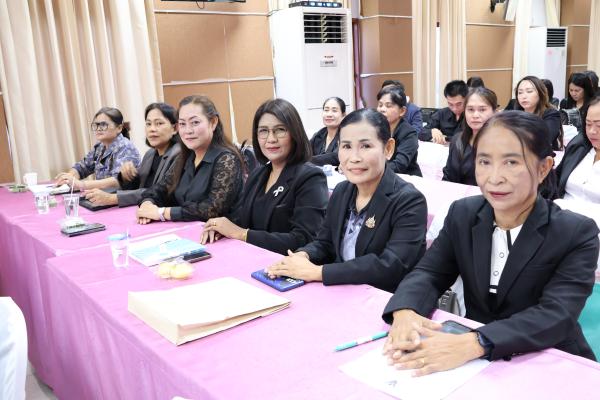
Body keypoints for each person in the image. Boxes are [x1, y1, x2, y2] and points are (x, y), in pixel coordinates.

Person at [382, 111, 598, 377]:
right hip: (477, 361)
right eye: (484, 161)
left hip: (548, 359)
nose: (494, 177)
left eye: (511, 162)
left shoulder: (575, 232)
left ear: (543, 168)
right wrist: (406, 309)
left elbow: (556, 314)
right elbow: (429, 272)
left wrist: (478, 342)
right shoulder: (463, 214)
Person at [265, 108, 428, 293]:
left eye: (366, 146)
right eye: (346, 147)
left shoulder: (409, 201)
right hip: (340, 292)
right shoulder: (342, 191)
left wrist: (319, 272)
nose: (354, 158)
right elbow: (324, 243)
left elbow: (390, 265)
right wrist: (304, 256)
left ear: (388, 148)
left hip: (383, 299)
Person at [201, 98, 329, 255]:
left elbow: (304, 239)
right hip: (253, 258)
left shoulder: (310, 177)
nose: (271, 139)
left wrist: (241, 234)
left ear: (294, 133)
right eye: (263, 131)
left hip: (286, 264)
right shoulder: (258, 174)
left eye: (280, 130)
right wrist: (221, 228)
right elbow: (242, 220)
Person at [136, 95, 243, 223]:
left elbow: (212, 209)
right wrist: (147, 204)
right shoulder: (184, 158)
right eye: (182, 124)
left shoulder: (227, 159)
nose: (188, 130)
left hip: (218, 233)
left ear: (213, 122)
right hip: (185, 230)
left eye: (195, 122)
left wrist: (162, 213)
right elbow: (158, 190)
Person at [82, 103, 181, 207]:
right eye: (148, 124)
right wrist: (127, 177)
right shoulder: (150, 154)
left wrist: (113, 198)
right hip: (143, 208)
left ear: (175, 128)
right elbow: (138, 187)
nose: (152, 129)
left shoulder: (178, 154)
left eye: (159, 123)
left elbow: (159, 192)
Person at [55, 107, 140, 189]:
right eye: (96, 125)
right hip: (101, 195)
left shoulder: (126, 147)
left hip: (119, 197)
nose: (98, 129)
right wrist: (68, 178)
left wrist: (82, 185)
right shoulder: (100, 147)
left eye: (103, 125)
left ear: (119, 128)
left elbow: (118, 180)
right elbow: (82, 167)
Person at [443, 87, 498, 186]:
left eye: (482, 109)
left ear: (494, 112)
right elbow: (448, 177)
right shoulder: (457, 140)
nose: (475, 115)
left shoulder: (504, 144)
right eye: (470, 109)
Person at [556, 97, 600, 201]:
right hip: (561, 208)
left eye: (599, 125)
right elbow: (556, 181)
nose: (592, 131)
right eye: (588, 124)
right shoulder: (578, 146)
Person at [376, 86, 421, 176]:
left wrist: (373, 170)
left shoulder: (409, 133)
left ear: (402, 111)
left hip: (406, 178)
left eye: (388, 106)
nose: (382, 109)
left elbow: (399, 165)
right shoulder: (375, 128)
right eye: (380, 105)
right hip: (380, 175)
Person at [514, 76, 563, 150]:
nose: (523, 96)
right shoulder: (515, 115)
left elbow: (545, 139)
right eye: (520, 93)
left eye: (529, 91)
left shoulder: (551, 114)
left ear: (540, 93)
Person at [420, 80, 468, 144]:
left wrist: (445, 138)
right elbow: (420, 132)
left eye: (459, 104)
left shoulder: (472, 115)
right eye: (450, 104)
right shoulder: (442, 113)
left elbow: (467, 138)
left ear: (466, 99)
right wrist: (432, 131)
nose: (454, 109)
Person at [309, 97, 345, 166]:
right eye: (326, 110)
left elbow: (336, 157)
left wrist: (307, 160)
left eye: (334, 111)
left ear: (343, 115)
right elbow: (304, 151)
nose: (329, 114)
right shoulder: (319, 134)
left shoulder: (346, 135)